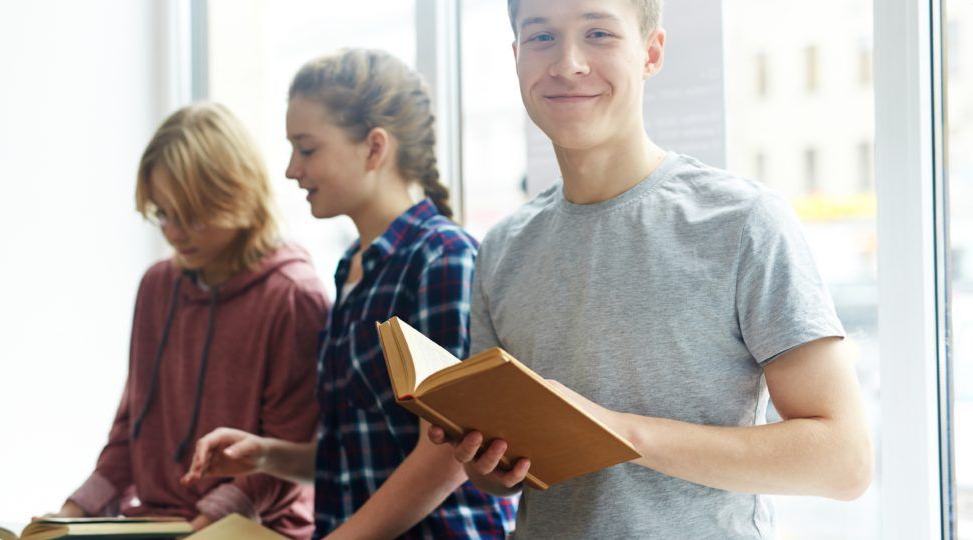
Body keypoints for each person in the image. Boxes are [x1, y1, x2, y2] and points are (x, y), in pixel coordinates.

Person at [428, 0, 874, 538]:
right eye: (542, 37)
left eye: (598, 33)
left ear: (651, 52)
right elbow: (509, 477)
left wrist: (614, 433)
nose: (568, 62)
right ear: (517, 55)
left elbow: (842, 461)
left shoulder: (743, 221)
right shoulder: (502, 246)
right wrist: (492, 465)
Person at [181, 49, 516, 539]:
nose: (293, 170)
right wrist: (268, 454)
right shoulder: (351, 271)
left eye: (308, 148)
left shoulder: (443, 258)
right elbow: (360, 453)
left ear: (374, 148)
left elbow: (448, 452)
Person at [46, 103, 328, 539]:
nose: (174, 232)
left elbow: (285, 463)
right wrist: (69, 514)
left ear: (237, 195)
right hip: (160, 525)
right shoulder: (158, 286)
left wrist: (199, 528)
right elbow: (130, 430)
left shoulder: (293, 297)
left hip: (256, 529)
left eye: (192, 215)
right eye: (162, 213)